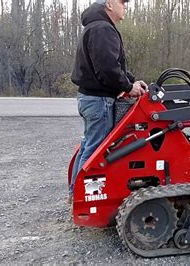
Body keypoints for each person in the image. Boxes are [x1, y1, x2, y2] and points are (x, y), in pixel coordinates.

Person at [69, 0, 147, 203]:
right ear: (110, 4)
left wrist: (131, 81)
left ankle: (74, 194)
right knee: (96, 151)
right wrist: (129, 87)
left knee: (88, 145)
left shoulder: (96, 26)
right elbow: (108, 70)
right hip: (99, 100)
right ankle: (81, 198)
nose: (126, 7)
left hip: (91, 98)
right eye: (123, 3)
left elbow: (113, 65)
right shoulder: (103, 29)